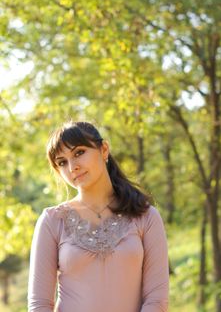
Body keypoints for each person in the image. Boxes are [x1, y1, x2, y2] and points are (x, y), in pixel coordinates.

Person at [28, 121, 169, 312]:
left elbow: (156, 300)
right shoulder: (52, 221)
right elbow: (39, 305)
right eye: (62, 162)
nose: (72, 167)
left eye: (79, 153)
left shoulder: (146, 216)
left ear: (104, 150)